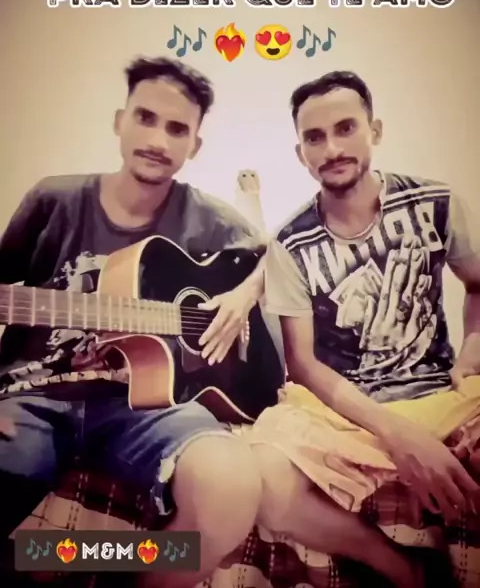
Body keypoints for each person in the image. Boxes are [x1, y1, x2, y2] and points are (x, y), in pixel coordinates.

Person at [0, 56, 280, 588]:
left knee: (232, 488)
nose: (157, 139)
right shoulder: (54, 200)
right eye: (145, 118)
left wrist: (244, 295)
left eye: (177, 129)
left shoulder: (209, 219)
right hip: (33, 396)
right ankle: (48, 557)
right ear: (119, 121)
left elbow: (280, 259)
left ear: (194, 144)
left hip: (151, 407)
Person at [246, 71, 480, 587]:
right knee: (260, 477)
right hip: (340, 409)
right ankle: (399, 567)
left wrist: (472, 346)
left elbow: (477, 284)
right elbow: (302, 364)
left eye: (346, 128)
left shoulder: (436, 202)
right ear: (301, 153)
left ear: (375, 130)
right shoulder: (289, 243)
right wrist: (396, 434)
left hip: (439, 392)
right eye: (315, 137)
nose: (331, 148)